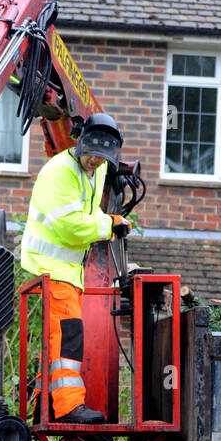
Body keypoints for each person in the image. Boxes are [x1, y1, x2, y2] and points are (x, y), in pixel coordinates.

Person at [21, 114, 131, 424]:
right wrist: (110, 224)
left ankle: (47, 403)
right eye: (92, 154)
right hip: (51, 267)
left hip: (68, 271)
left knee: (58, 337)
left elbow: (88, 213)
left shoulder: (96, 172)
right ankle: (68, 405)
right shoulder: (59, 172)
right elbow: (71, 227)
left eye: (102, 157)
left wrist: (108, 223)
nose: (95, 161)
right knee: (69, 334)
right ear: (79, 143)